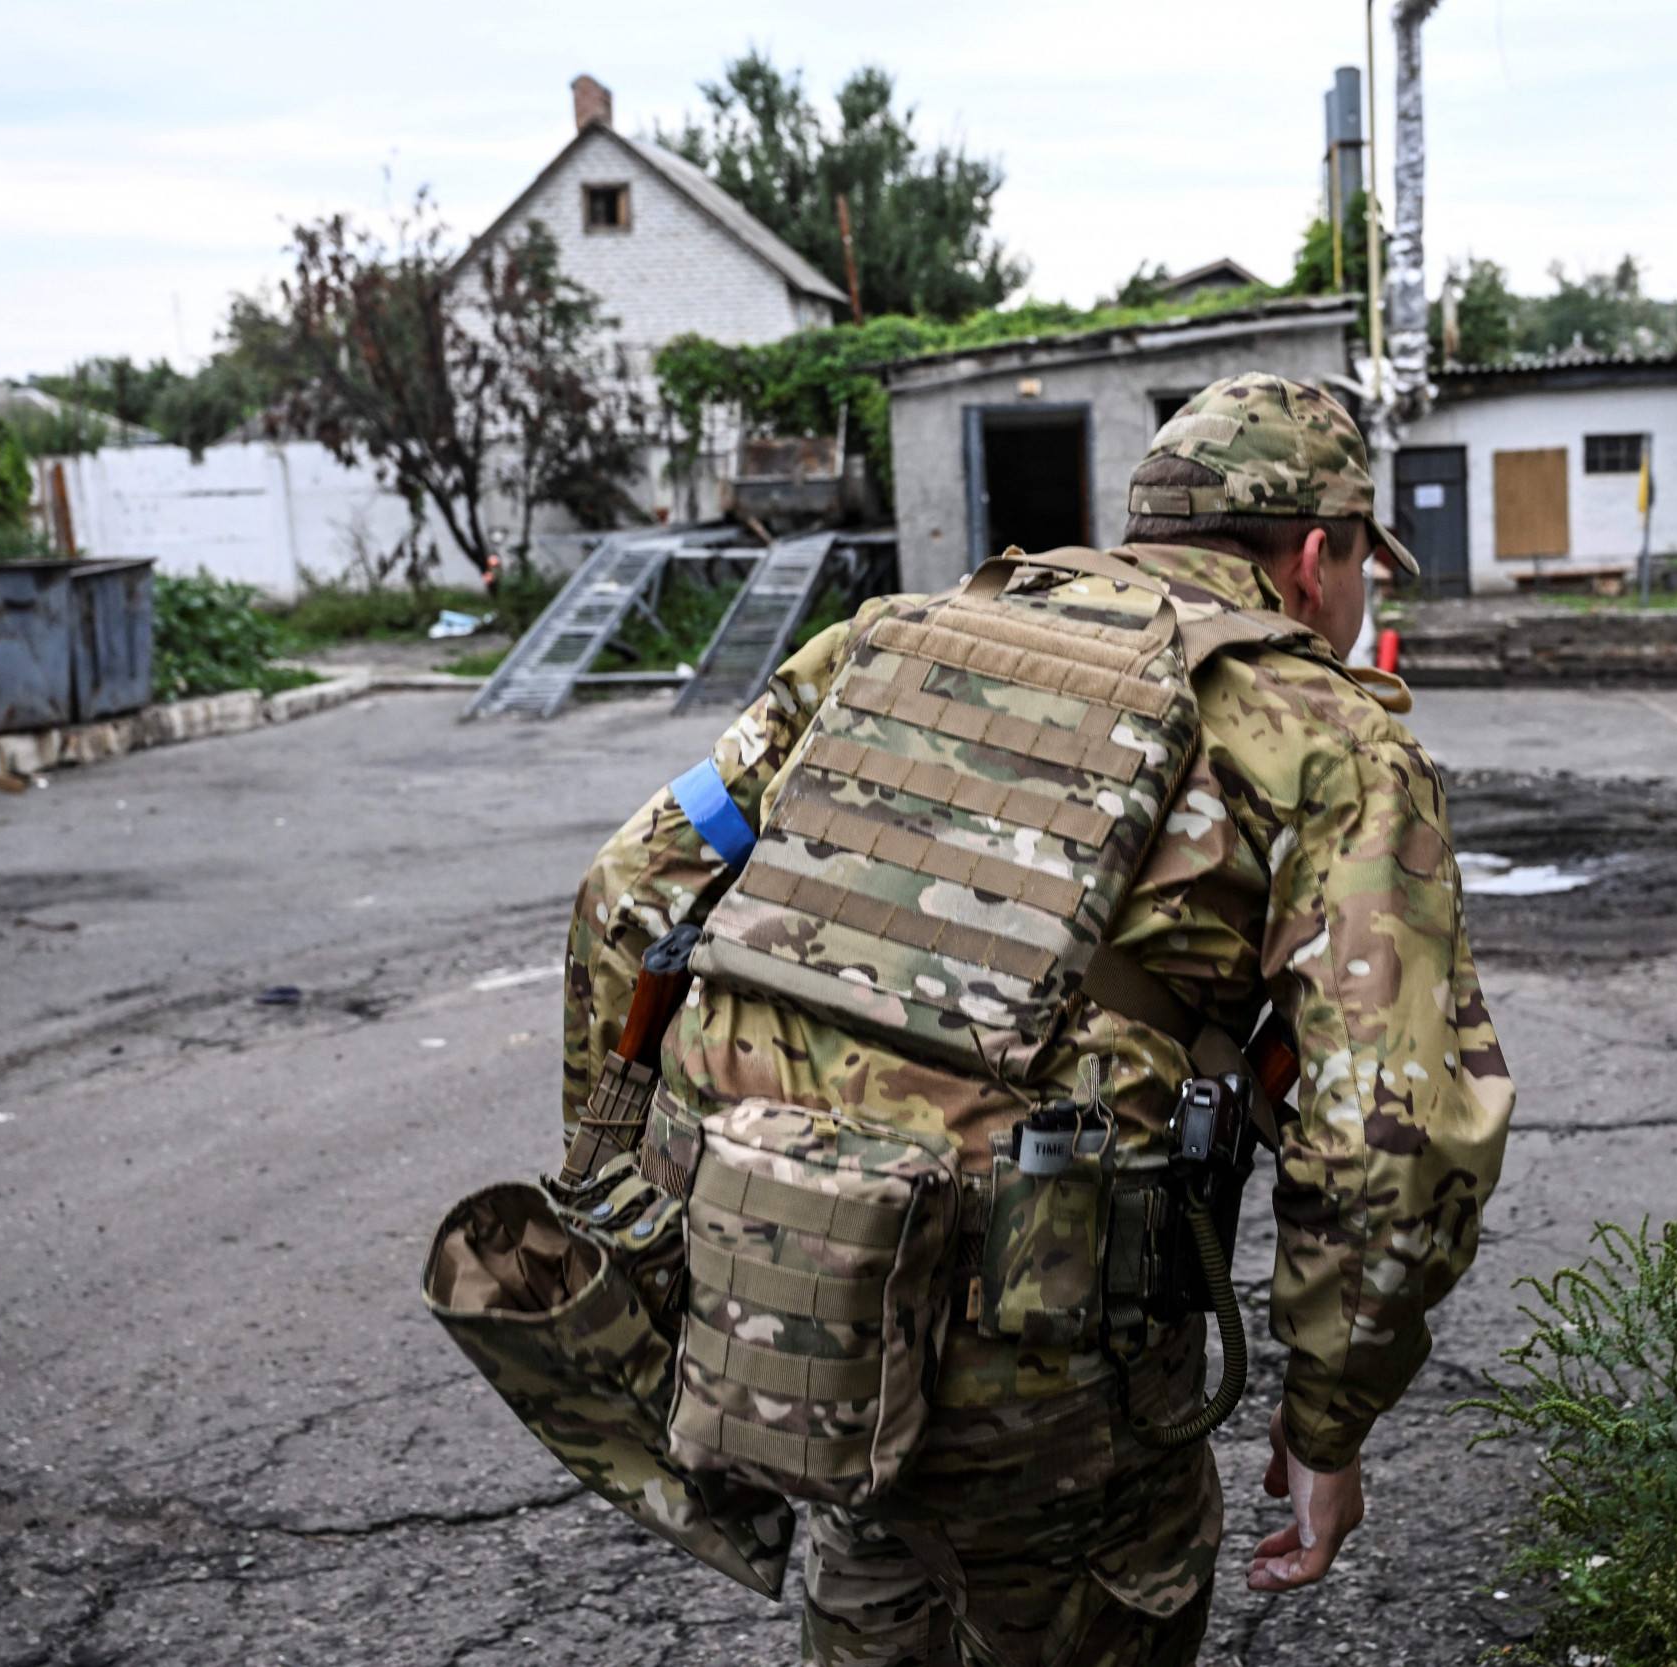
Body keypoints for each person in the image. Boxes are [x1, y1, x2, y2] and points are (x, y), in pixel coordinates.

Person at [561, 373, 1512, 1666]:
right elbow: (1397, 1135)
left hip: (791, 1284)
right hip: (1058, 1374)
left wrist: (623, 1204)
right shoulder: (1323, 737)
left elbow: (628, 891)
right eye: (1361, 571)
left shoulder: (876, 645)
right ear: (1314, 557)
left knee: (874, 1574)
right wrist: (1328, 1416)